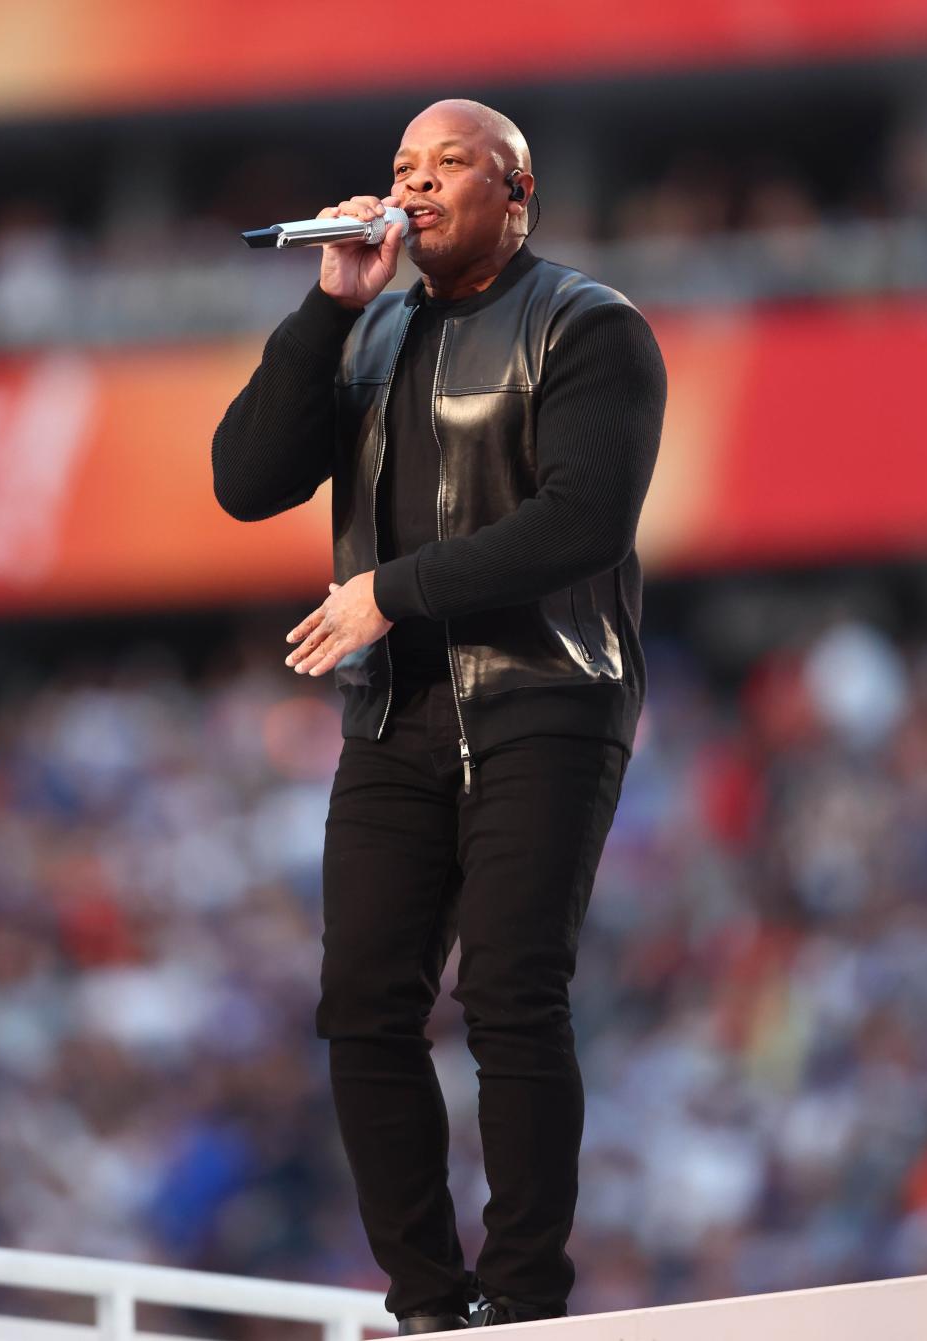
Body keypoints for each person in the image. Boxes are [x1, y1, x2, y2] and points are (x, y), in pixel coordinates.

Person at [212, 98, 667, 1334]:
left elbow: (582, 520)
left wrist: (387, 594)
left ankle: (524, 1297)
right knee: (361, 1001)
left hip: (546, 693)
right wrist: (328, 307)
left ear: (516, 193)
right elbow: (244, 483)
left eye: (448, 167)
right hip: (397, 708)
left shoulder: (591, 326)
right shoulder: (367, 331)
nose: (413, 187)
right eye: (402, 167)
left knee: (512, 988)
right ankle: (428, 1301)